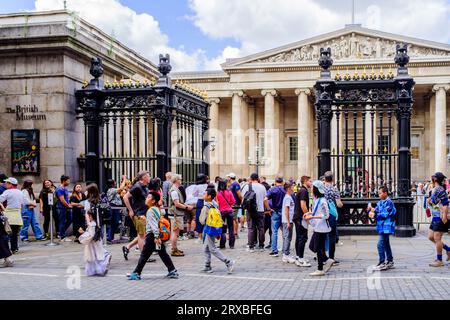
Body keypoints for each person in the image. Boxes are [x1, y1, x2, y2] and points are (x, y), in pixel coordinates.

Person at [127, 191, 179, 280]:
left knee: (144, 255)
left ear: (153, 201)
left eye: (148, 197)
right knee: (162, 253)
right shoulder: (156, 209)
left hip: (152, 236)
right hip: (156, 235)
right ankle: (172, 270)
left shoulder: (150, 210)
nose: (146, 198)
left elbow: (154, 225)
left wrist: (156, 236)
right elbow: (154, 221)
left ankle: (136, 273)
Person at [199, 188, 235, 274]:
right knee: (206, 247)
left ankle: (228, 262)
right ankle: (207, 266)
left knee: (212, 248)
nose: (204, 195)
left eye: (205, 194)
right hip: (214, 227)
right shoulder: (215, 204)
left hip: (208, 228)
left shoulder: (206, 206)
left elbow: (202, 220)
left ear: (209, 196)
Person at [304, 180, 334, 276]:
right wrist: (309, 213)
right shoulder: (317, 200)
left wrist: (312, 217)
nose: (311, 189)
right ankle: (327, 260)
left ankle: (320, 268)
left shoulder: (323, 201)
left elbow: (326, 215)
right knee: (314, 246)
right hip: (317, 226)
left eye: (313, 187)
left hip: (322, 227)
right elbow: (316, 212)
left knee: (317, 247)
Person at [122, 171, 150, 260]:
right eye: (148, 176)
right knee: (142, 235)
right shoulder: (137, 186)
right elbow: (125, 197)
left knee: (142, 234)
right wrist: (130, 210)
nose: (150, 178)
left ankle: (127, 247)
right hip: (139, 214)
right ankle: (144, 256)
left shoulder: (144, 187)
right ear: (144, 177)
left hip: (144, 213)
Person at [78, 204, 111, 276]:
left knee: (93, 257)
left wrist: (83, 233)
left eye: (89, 216)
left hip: (93, 244)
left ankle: (100, 268)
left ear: (91, 216)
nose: (87, 217)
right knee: (94, 257)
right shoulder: (94, 224)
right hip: (94, 243)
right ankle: (98, 270)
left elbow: (91, 235)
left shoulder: (92, 224)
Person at [368, 186, 396, 271]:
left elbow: (384, 214)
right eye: (379, 193)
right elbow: (377, 210)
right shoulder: (381, 201)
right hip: (382, 226)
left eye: (380, 193)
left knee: (380, 244)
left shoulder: (389, 202)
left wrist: (375, 214)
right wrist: (371, 209)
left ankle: (382, 262)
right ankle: (390, 261)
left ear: (385, 193)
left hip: (386, 226)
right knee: (386, 243)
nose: (379, 194)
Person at [427, 172, 450, 267]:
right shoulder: (436, 189)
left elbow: (445, 204)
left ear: (435, 179)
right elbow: (435, 201)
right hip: (435, 216)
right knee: (431, 237)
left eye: (433, 177)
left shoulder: (439, 189)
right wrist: (430, 200)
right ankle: (448, 249)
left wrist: (444, 216)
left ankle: (439, 260)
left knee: (437, 238)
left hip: (440, 217)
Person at [241, 173, 267, 252]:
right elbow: (265, 199)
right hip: (260, 210)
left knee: (251, 228)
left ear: (251, 178)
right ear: (258, 178)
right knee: (261, 228)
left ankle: (251, 246)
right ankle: (261, 245)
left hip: (251, 210)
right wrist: (268, 208)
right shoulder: (262, 187)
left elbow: (243, 199)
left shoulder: (246, 186)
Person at [168, 174, 193, 256]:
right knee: (175, 232)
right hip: (176, 214)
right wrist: (187, 207)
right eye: (180, 179)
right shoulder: (174, 191)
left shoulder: (175, 189)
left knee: (175, 232)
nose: (181, 180)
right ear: (177, 180)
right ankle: (174, 250)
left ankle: (175, 248)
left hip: (176, 214)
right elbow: (177, 204)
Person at [0, 178, 25, 254]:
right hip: (17, 214)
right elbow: (23, 203)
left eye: (7, 183)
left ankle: (6, 250)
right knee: (14, 233)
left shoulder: (7, 192)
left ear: (11, 184)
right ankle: (14, 248)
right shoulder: (20, 192)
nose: (5, 184)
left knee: (6, 233)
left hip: (9, 214)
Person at [323, 171, 343, 264]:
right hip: (331, 214)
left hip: (322, 214)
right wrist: (341, 204)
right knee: (332, 236)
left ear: (324, 178)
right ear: (332, 179)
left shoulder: (321, 188)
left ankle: (322, 256)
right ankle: (331, 257)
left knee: (322, 235)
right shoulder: (334, 189)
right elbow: (339, 204)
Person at [293, 176, 312, 267]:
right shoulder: (304, 191)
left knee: (299, 237)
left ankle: (298, 257)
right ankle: (300, 258)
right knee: (303, 237)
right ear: (305, 181)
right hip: (301, 217)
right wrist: (307, 214)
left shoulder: (301, 190)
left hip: (297, 217)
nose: (311, 183)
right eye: (310, 181)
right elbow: (303, 205)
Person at [265, 176, 286, 256]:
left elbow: (265, 199)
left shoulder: (272, 189)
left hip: (275, 212)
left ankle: (274, 250)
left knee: (274, 232)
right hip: (284, 212)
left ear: (275, 181)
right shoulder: (285, 189)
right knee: (285, 232)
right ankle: (285, 249)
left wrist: (268, 209)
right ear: (282, 181)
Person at [216, 179, 236, 249]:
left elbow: (216, 203)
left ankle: (222, 244)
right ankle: (232, 245)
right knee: (231, 228)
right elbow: (233, 201)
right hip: (229, 211)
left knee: (222, 229)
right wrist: (229, 205)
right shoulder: (229, 192)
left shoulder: (217, 193)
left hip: (221, 212)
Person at [106, 177, 126, 243]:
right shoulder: (111, 190)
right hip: (113, 207)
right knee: (114, 222)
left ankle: (111, 237)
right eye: (114, 182)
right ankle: (109, 237)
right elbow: (121, 188)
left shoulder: (113, 190)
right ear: (112, 184)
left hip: (116, 207)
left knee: (115, 222)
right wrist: (124, 179)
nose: (115, 183)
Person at [281, 182, 296, 263]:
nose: (293, 189)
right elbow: (286, 210)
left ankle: (285, 253)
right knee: (287, 237)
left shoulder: (288, 197)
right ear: (289, 189)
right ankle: (286, 255)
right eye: (292, 187)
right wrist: (288, 221)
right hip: (287, 220)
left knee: (286, 237)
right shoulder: (288, 198)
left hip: (288, 220)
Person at [192, 174, 209, 243]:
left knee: (199, 218)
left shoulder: (197, 186)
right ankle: (208, 236)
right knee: (208, 218)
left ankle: (200, 237)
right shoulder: (208, 185)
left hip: (200, 201)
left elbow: (194, 194)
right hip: (208, 201)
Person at [55, 175, 72, 241]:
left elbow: (66, 199)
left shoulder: (65, 188)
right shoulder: (59, 189)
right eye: (68, 180)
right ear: (64, 181)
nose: (69, 182)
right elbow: (62, 200)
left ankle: (61, 232)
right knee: (62, 221)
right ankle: (62, 236)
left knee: (70, 220)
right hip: (61, 208)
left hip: (66, 207)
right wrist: (68, 206)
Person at [227, 173, 243, 237]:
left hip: (235, 203)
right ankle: (235, 233)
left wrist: (241, 201)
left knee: (233, 218)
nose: (227, 178)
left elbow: (239, 194)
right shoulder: (232, 184)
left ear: (230, 178)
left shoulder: (235, 184)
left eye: (228, 177)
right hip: (232, 204)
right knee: (234, 218)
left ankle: (234, 233)